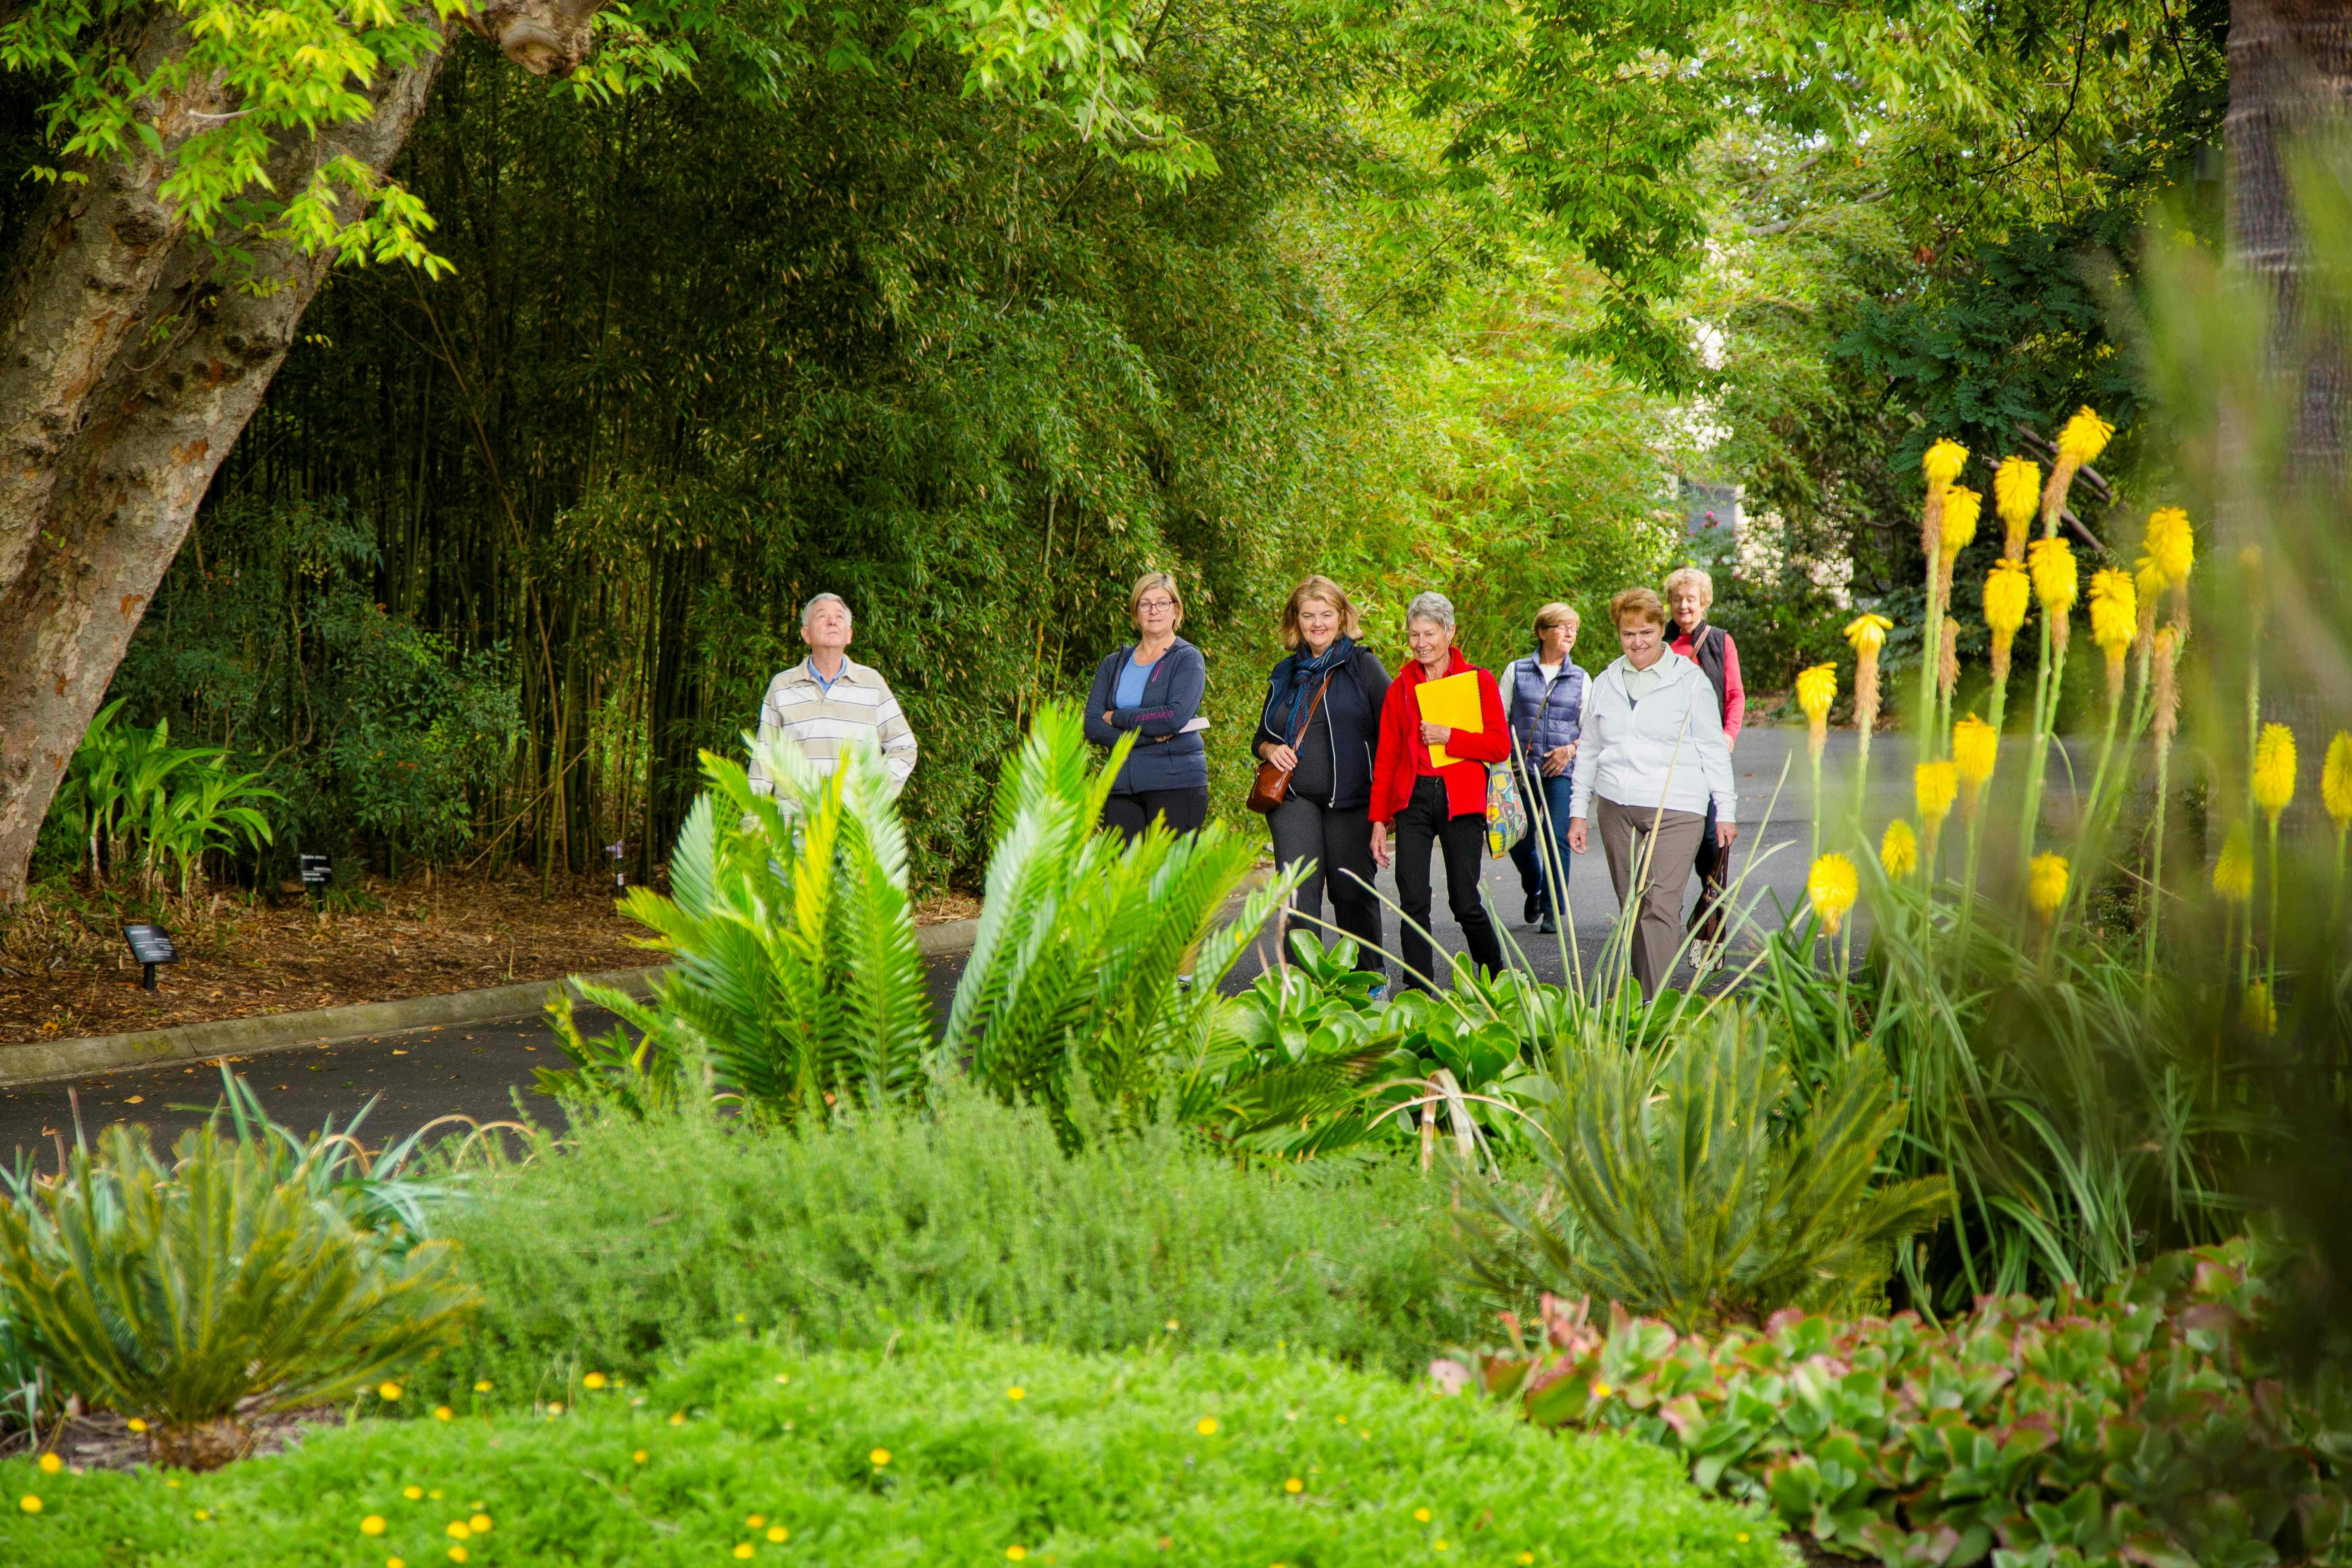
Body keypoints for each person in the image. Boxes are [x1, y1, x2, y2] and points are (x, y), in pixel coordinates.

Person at [1566, 587, 1737, 1000]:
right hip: (1615, 806)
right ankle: (1640, 996)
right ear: (1618, 635)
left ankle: (1653, 1004)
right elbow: (1588, 749)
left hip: (1677, 806)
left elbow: (1713, 748)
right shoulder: (1606, 682)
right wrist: (1576, 812)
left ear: (1663, 629)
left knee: (1660, 903)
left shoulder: (1690, 681)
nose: (1638, 642)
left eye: (1646, 632)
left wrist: (1726, 811)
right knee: (1632, 907)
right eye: (1629, 634)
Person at [1369, 591, 1510, 991]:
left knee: (1465, 902)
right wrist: (1379, 821)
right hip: (1413, 799)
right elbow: (1387, 758)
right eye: (1413, 635)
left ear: (1450, 632)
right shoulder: (1401, 687)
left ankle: (1497, 978)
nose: (1420, 643)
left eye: (1428, 633)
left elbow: (1499, 746)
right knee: (1412, 899)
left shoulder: (1477, 680)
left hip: (1461, 800)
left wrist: (1451, 737)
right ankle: (1419, 991)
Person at [1254, 576, 1392, 981]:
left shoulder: (1363, 666)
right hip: (1293, 800)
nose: (1318, 624)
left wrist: (1386, 807)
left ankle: (1369, 982)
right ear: (1295, 620)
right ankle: (1301, 987)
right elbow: (1261, 737)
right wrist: (1269, 750)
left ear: (1342, 617)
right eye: (1308, 615)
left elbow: (1392, 734)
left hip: (1351, 801)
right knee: (1298, 897)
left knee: (1352, 893)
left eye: (1326, 615)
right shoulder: (1285, 673)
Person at [747, 592, 919, 798]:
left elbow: (904, 747)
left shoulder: (872, 683)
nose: (832, 622)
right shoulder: (782, 686)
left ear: (849, 635)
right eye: (822, 616)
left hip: (854, 825)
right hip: (794, 824)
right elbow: (764, 757)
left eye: (839, 617)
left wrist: (874, 797)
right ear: (806, 634)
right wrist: (755, 822)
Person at [1085, 571, 1209, 840]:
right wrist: (1149, 738)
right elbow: (1092, 725)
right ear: (1136, 613)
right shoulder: (1113, 664)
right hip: (1122, 786)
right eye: (1145, 604)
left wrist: (1116, 717)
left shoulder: (1188, 659)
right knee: (1119, 877)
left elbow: (1172, 717)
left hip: (1175, 783)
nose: (1154, 611)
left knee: (1167, 880)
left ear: (1176, 610)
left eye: (1163, 603)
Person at [1664, 566, 1744, 949]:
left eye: (1691, 599)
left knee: (1713, 846)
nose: (1684, 605)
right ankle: (1664, 920)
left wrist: (1728, 737)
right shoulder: (1655, 641)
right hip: (1667, 762)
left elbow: (1735, 696)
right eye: (1678, 599)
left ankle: (1710, 921)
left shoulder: (1720, 642)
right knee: (1673, 843)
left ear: (1704, 603)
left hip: (1707, 758)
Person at [1502, 603, 1588, 936]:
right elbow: (1499, 718)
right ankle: (1535, 886)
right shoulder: (1517, 671)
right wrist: (1502, 766)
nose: (1570, 633)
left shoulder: (1581, 678)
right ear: (1542, 632)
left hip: (1560, 771)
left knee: (1557, 838)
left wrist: (1570, 750)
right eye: (1562, 627)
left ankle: (1554, 909)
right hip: (1519, 770)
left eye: (1574, 629)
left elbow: (1592, 733)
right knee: (1517, 838)